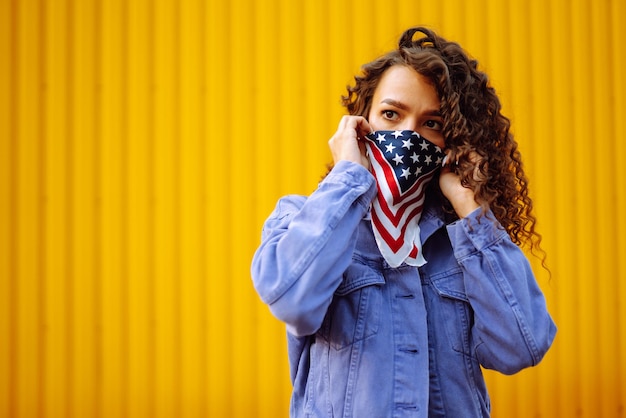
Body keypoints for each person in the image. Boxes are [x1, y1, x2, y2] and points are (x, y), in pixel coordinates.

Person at [251, 26, 556, 417]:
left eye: (432, 123)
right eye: (391, 114)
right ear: (361, 123)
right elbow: (292, 299)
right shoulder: (300, 217)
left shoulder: (460, 242)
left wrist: (472, 209)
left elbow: (521, 346)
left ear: (453, 140)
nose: (408, 135)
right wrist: (348, 175)